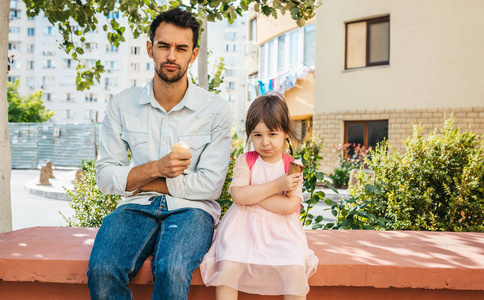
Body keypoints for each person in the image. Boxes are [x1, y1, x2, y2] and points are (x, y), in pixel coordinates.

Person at [87, 8, 232, 300]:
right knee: (103, 268)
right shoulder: (122, 105)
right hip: (135, 206)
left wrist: (145, 180)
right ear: (150, 48)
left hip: (193, 210)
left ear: (193, 55)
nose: (171, 56)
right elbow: (104, 177)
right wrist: (157, 167)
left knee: (173, 268)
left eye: (181, 48)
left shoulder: (215, 110)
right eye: (164, 46)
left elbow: (211, 186)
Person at [200, 93, 318, 300]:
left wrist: (252, 194)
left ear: (285, 133)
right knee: (230, 264)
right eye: (257, 135)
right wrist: (277, 185)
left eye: (272, 134)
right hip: (242, 227)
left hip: (282, 231)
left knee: (293, 267)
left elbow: (290, 207)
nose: (265, 142)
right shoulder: (246, 160)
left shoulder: (292, 166)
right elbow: (238, 195)